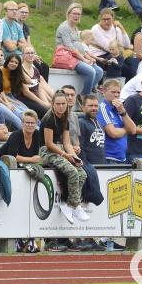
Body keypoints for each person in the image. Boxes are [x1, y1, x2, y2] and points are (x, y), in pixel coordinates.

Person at [40, 90, 89, 225]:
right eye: (58, 104)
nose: (61, 106)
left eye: (63, 104)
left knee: (82, 173)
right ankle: (75, 205)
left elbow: (67, 143)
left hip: (60, 150)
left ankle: (69, 204)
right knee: (73, 172)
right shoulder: (49, 119)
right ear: (52, 104)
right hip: (47, 151)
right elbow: (49, 144)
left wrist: (74, 157)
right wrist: (65, 155)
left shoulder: (65, 120)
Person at [55, 3, 105, 95]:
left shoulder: (75, 28)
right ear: (68, 14)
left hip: (76, 56)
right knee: (91, 71)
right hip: (66, 57)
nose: (76, 16)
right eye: (74, 13)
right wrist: (84, 59)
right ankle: (85, 96)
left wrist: (88, 58)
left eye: (78, 14)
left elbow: (79, 47)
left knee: (99, 71)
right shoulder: (64, 27)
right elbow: (69, 47)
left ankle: (86, 92)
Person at [88, 8, 137, 80]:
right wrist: (123, 50)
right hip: (99, 55)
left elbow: (126, 44)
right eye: (104, 19)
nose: (106, 22)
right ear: (100, 19)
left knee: (133, 63)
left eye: (108, 19)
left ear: (113, 18)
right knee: (124, 68)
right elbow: (108, 47)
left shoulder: (116, 27)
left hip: (114, 53)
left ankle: (128, 85)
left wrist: (121, 28)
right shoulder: (95, 29)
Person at [0, 47, 26, 129]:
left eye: (1, 55)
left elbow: (1, 90)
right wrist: (6, 104)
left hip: (1, 100)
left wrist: (7, 102)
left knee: (23, 112)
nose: (0, 57)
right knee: (16, 117)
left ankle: (37, 129)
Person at [5, 53, 48, 118]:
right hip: (13, 97)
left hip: (19, 96)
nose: (13, 64)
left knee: (43, 109)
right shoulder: (3, 70)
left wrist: (21, 70)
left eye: (16, 63)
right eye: (11, 61)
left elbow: (29, 81)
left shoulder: (17, 72)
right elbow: (26, 92)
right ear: (7, 61)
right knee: (42, 110)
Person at [76, 94, 105, 165]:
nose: (94, 108)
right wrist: (85, 165)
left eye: (96, 106)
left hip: (102, 165)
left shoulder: (99, 123)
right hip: (89, 166)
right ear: (83, 107)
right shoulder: (81, 123)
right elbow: (80, 148)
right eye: (90, 106)